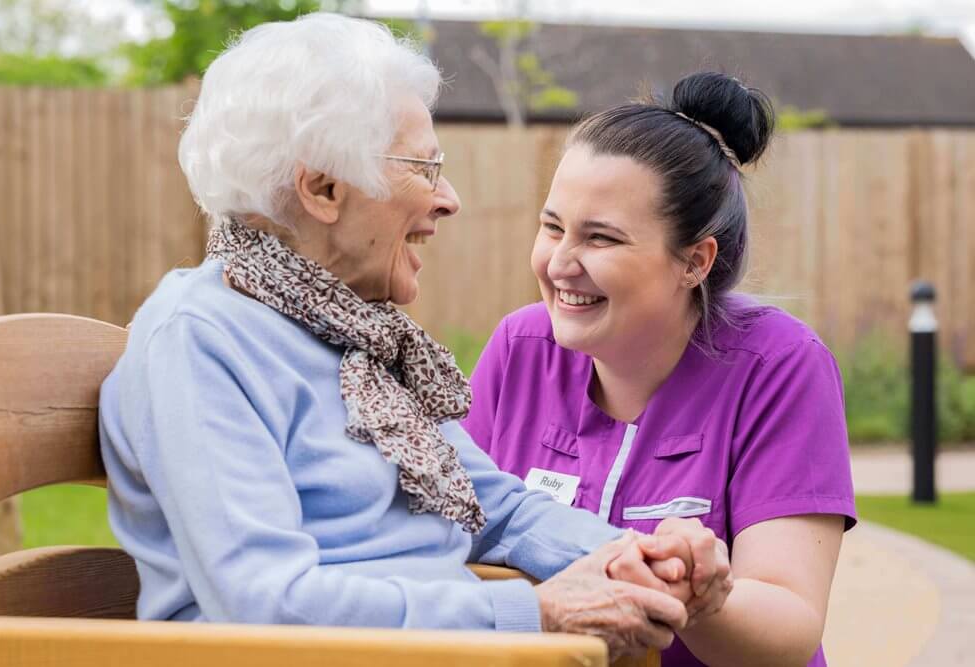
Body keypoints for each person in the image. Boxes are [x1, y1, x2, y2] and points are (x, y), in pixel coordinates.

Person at [98, 13, 732, 660]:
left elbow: (496, 509)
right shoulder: (201, 340)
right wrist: (533, 612)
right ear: (323, 188)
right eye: (422, 168)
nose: (448, 199)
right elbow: (266, 600)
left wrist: (635, 554)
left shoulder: (354, 337)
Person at [462, 72, 856, 667]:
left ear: (694, 261)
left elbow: (790, 623)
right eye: (552, 227)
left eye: (601, 238)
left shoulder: (777, 365)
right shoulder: (519, 348)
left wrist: (700, 594)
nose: (560, 262)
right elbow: (447, 538)